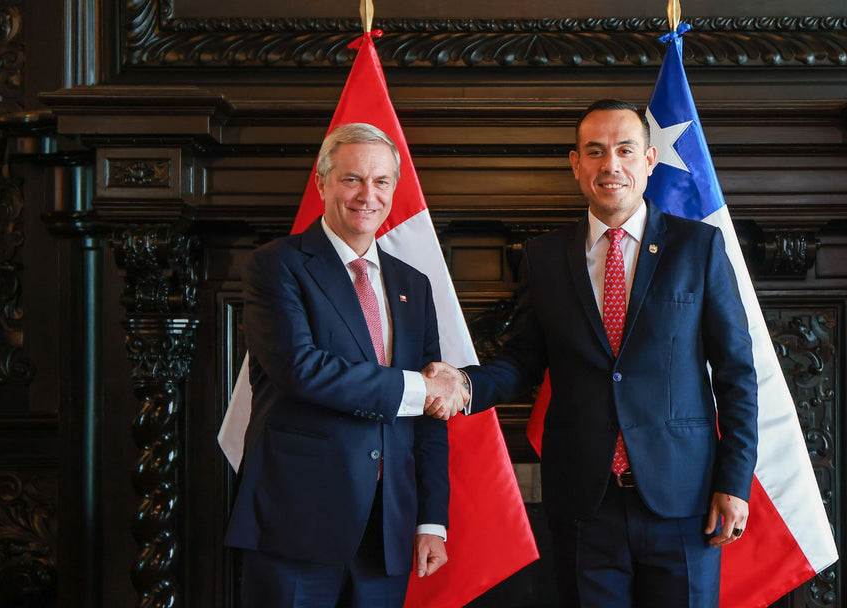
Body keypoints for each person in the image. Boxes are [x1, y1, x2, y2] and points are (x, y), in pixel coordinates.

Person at [427, 99, 759, 607]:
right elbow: (521, 360)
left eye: (625, 150)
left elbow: (737, 374)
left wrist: (734, 482)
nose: (611, 165)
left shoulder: (699, 247)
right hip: (585, 503)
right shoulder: (544, 257)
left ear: (649, 160)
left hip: (683, 498)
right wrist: (465, 384)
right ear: (576, 163)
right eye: (596, 151)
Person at [224, 122, 469, 608]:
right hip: (297, 522)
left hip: (387, 528)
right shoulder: (277, 266)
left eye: (381, 181)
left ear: (394, 189)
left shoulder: (414, 284)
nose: (367, 195)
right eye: (352, 179)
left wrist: (430, 520)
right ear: (322, 183)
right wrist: (421, 389)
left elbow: (430, 418)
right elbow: (301, 369)